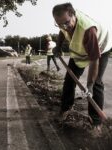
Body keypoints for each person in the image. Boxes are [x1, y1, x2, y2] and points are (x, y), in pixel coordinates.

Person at [52, 3, 112, 134]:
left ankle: (96, 122)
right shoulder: (64, 21)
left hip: (101, 46)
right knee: (69, 80)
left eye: (67, 23)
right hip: (81, 51)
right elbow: (62, 31)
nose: (64, 27)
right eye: (59, 24)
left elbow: (94, 59)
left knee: (96, 84)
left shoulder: (88, 30)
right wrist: (58, 46)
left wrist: (89, 85)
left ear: (73, 15)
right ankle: (65, 108)